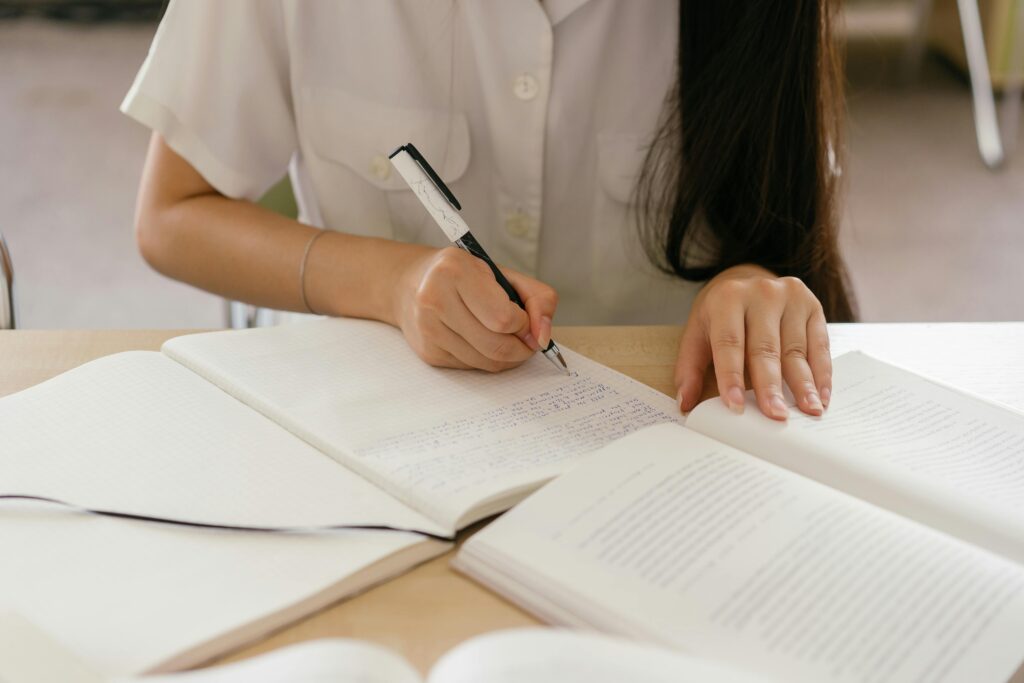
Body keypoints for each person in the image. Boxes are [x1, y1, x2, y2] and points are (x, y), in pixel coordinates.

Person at [123, 0, 855, 422]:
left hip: (669, 434)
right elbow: (172, 215)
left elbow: (779, 236)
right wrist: (391, 284)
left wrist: (753, 283)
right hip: (376, 434)